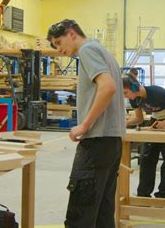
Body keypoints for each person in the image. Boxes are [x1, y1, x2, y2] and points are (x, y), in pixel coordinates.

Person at [47, 19, 125, 228]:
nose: (59, 49)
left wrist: (84, 125)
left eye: (59, 42)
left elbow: (107, 87)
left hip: (97, 142)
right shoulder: (103, 51)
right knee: (102, 213)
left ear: (71, 34)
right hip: (112, 142)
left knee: (80, 215)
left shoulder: (87, 51)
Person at [123, 74, 165, 198]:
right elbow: (139, 118)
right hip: (155, 122)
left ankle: (162, 195)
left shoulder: (157, 92)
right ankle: (143, 194)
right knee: (147, 158)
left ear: (135, 88)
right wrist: (125, 123)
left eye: (125, 92)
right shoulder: (134, 99)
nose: (125, 96)